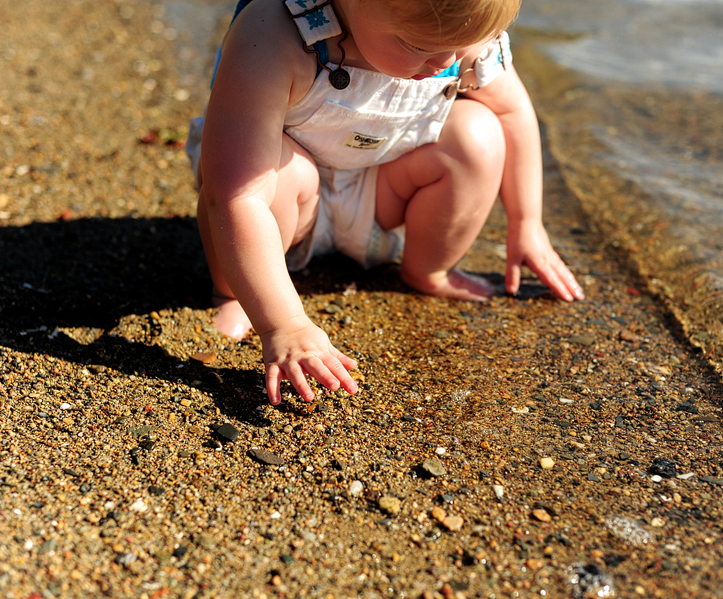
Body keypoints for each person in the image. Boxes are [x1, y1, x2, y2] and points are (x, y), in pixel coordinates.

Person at [186, 0, 584, 406]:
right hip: (283, 196)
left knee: (477, 135)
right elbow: (236, 196)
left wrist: (527, 221)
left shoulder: (461, 44)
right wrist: (283, 324)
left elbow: (513, 111)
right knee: (268, 175)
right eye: (418, 45)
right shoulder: (275, 34)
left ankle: (428, 269)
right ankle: (234, 293)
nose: (444, 62)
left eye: (461, 45)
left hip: (379, 194)